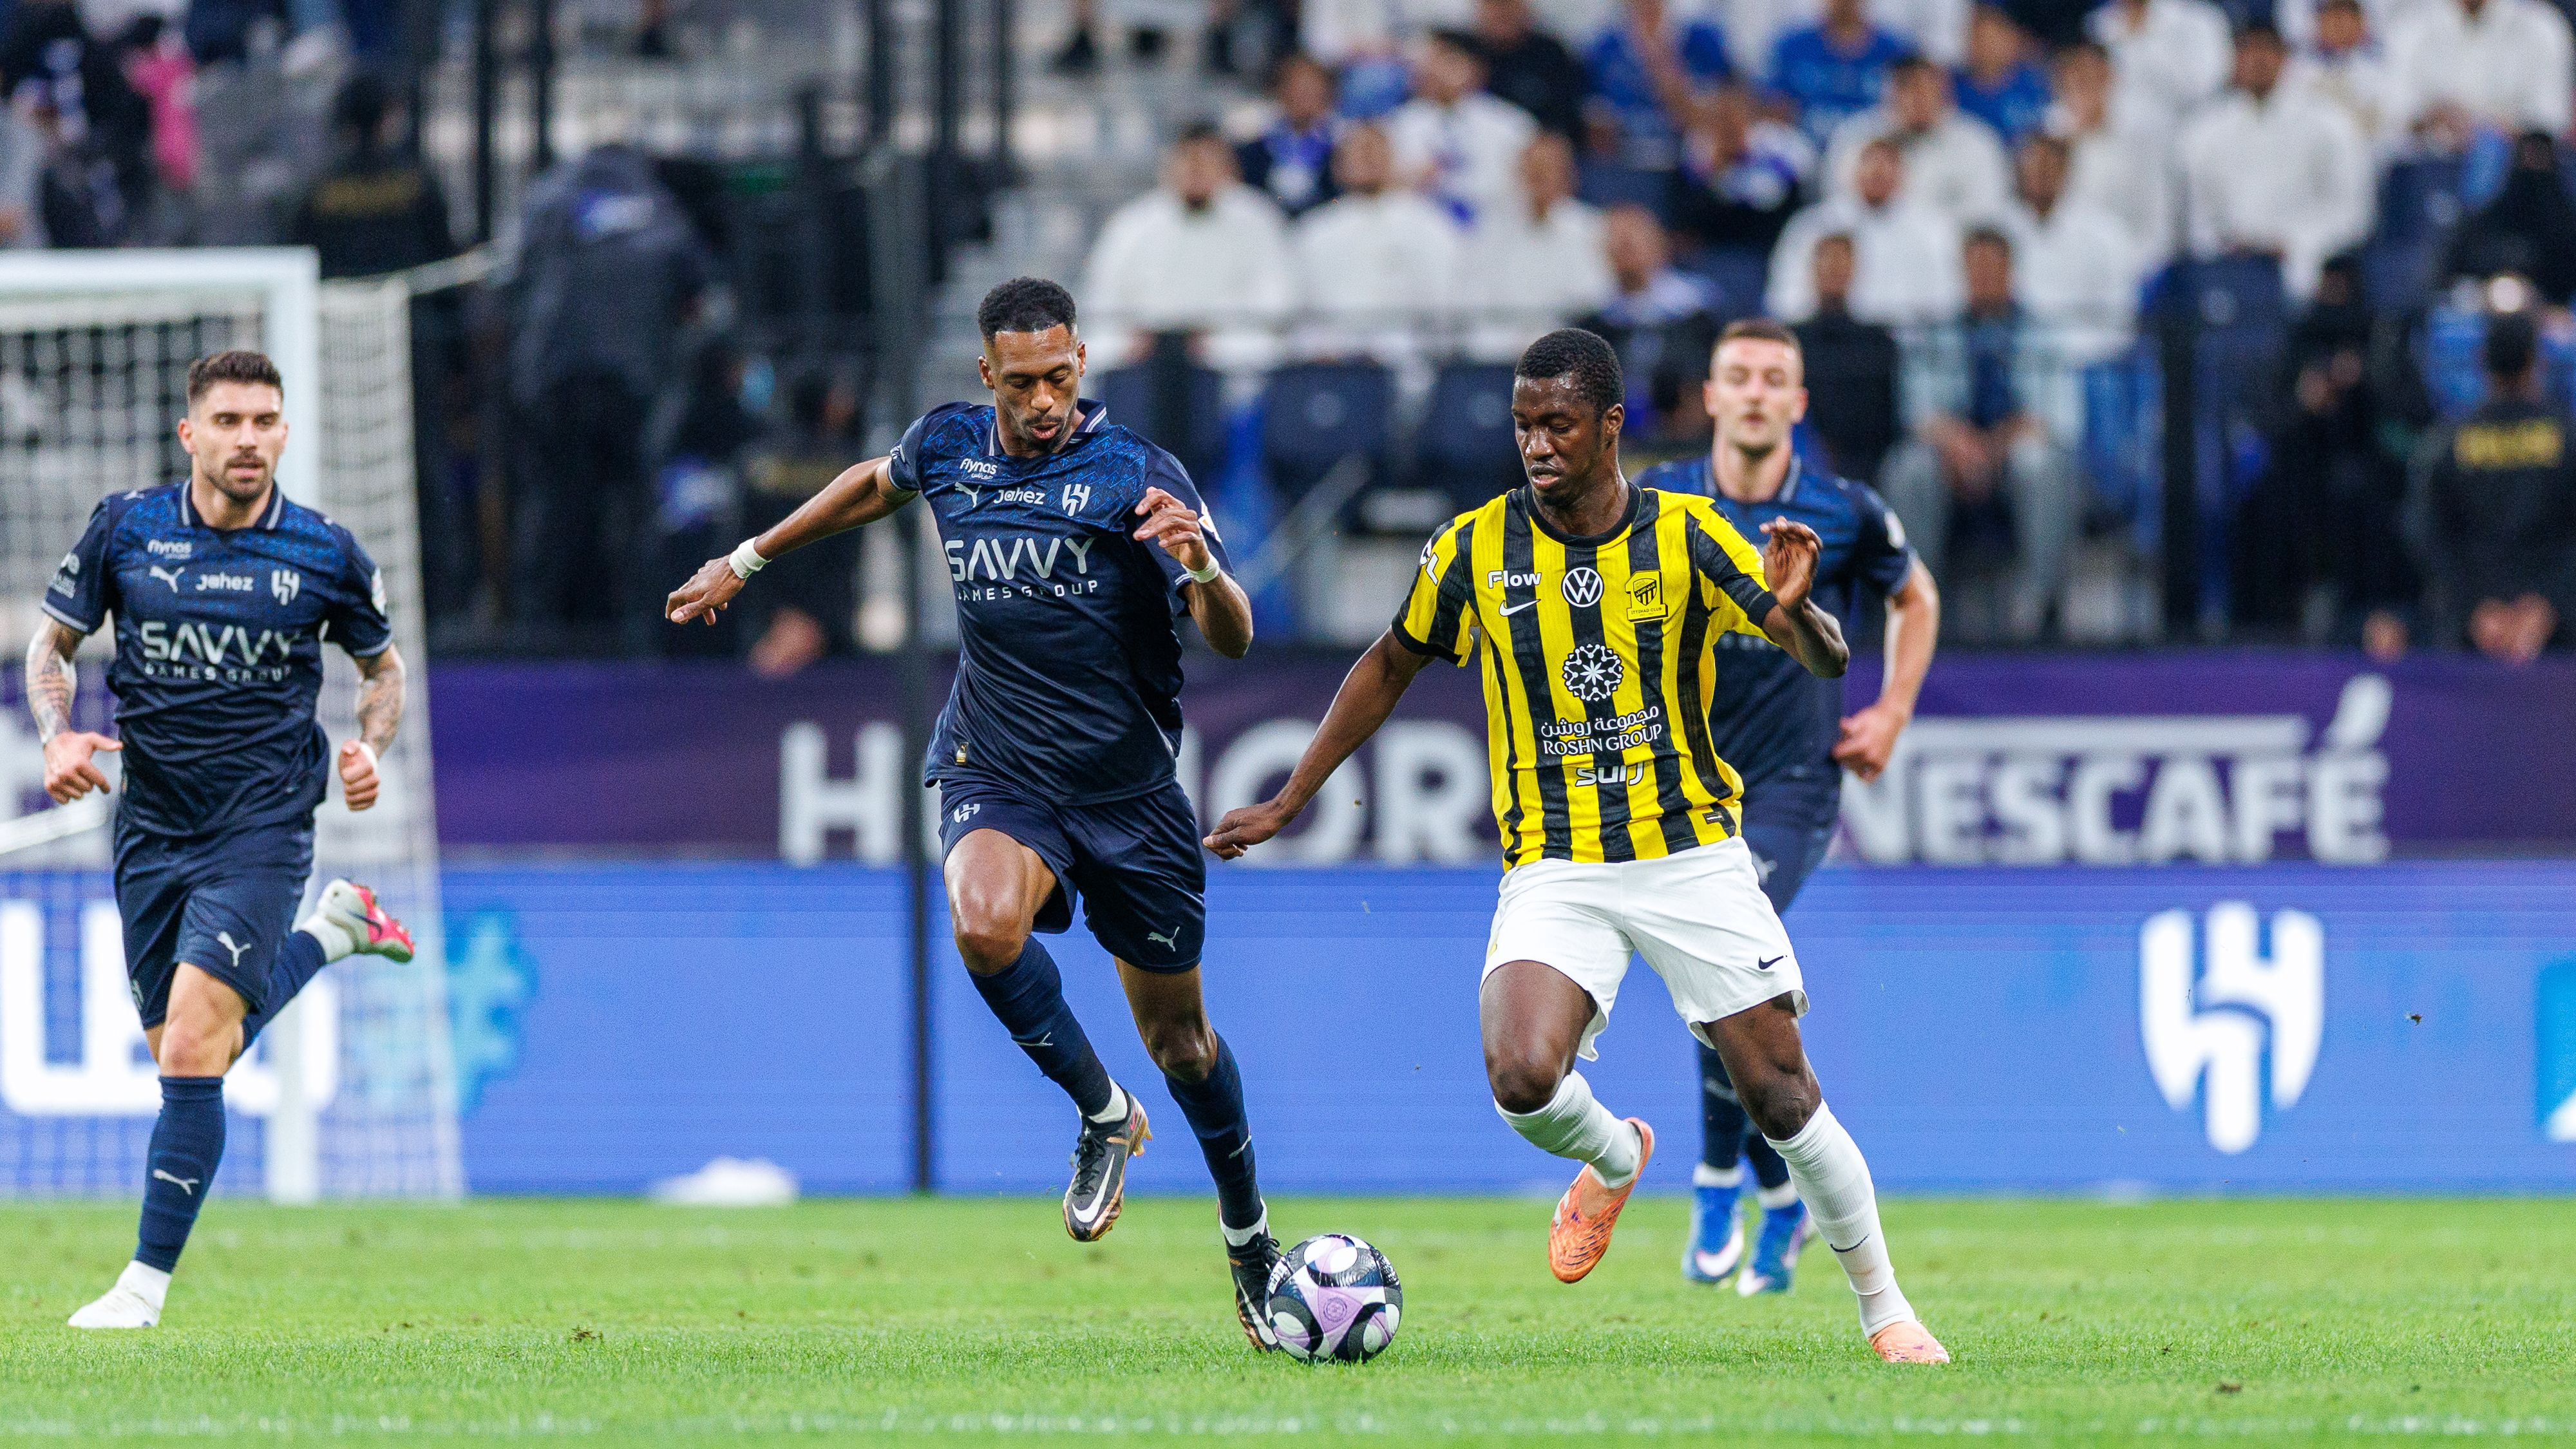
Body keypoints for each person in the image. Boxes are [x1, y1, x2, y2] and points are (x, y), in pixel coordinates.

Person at [1205, 327, 1949, 1365]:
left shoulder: (1690, 534)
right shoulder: (1472, 546)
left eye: (1558, 424)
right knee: (1519, 1074)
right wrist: (1290, 798)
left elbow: (1819, 655)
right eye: (1522, 425)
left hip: (1687, 850)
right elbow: (1389, 662)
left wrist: (1800, 613)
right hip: (1556, 862)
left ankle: (1885, 1309)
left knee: (1779, 1092)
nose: (1537, 445)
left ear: (1610, 427)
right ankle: (1612, 1157)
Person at [665, 278, 1283, 1349]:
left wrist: (1201, 568)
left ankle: (1251, 1247)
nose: (1044, 400)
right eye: (1023, 382)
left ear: (1081, 365)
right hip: (997, 763)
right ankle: (1102, 1115)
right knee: (983, 922)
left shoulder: (1138, 475)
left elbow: (1231, 636)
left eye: (1060, 378)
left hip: (1130, 795)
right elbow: (872, 483)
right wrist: (748, 559)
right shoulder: (949, 447)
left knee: (1182, 1042)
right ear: (987, 376)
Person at [31, 350, 422, 1329]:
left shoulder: (325, 554)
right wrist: (56, 732)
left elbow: (384, 670)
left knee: (197, 1045)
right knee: (183, 1048)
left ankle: (141, 1288)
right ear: (191, 435)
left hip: (262, 823)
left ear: (284, 432)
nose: (249, 438)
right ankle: (336, 932)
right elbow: (52, 646)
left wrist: (369, 747)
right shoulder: (127, 529)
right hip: (151, 823)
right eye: (231, 421)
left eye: (266, 420)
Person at [1636, 318, 1938, 1294]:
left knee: (1727, 967)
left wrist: (1891, 709)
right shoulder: (1661, 501)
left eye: (1776, 378)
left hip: (1792, 785)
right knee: (1722, 992)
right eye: (1740, 377)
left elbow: (1916, 595)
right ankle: (1779, 1198)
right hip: (1683, 787)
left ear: (1798, 404)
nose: (1758, 392)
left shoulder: (1841, 509)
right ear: (1712, 398)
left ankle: (1721, 1177)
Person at [498, 140, 712, 638]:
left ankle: (539, 629)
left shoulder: (549, 198)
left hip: (555, 381)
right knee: (634, 506)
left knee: (555, 503)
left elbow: (514, 285)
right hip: (632, 384)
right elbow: (696, 293)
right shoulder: (658, 204)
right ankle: (640, 626)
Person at [1880, 227, 2082, 639]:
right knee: (1909, 469)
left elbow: (2060, 419)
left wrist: (1997, 445)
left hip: (2014, 460)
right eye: (1977, 266)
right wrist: (1957, 442)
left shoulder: (2042, 332)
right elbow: (1916, 413)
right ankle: (1921, 604)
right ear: (1964, 270)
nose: (1986, 275)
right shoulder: (1938, 331)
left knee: (2042, 465)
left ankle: (2037, 610)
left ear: (2012, 269)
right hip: (1952, 461)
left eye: (1996, 265)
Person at [2231, 252, 2425, 645]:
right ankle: (2267, 631)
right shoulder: (2297, 343)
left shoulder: (2381, 342)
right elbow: (2266, 419)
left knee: (2374, 503)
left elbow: (2416, 421)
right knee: (2261, 507)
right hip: (2302, 475)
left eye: (2342, 289)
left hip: (2371, 474)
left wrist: (2366, 383)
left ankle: (2377, 620)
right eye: (2327, 288)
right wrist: (2305, 403)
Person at [2403, 309, 2576, 663]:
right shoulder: (2567, 437)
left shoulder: (2448, 442)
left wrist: (2476, 608)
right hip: (2560, 634)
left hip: (2476, 633)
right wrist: (2551, 604)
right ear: (2536, 361)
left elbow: (2426, 532)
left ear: (2482, 362)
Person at [2178, 22, 2372, 300]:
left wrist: (2297, 244)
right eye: (2247, 51)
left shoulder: (2328, 124)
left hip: (2310, 269)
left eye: (2267, 50)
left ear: (2285, 57)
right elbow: (2200, 217)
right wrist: (2227, 245)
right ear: (2233, 60)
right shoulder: (2206, 132)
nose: (2257, 60)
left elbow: (2352, 211)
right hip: (2230, 271)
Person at [1081, 122, 1295, 374]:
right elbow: (1101, 299)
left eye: (1206, 162)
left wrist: (1215, 339)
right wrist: (1136, 339)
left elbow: (1280, 301)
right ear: (1169, 166)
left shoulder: (1258, 220)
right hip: (1145, 359)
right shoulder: (1132, 225)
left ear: (1228, 167)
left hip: (1231, 355)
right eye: (1187, 161)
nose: (1196, 171)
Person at [1290, 122, 1465, 365]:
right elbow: (1298, 309)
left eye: (1376, 151)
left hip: (1410, 357)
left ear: (1395, 160)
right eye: (1358, 152)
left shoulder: (1430, 225)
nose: (1367, 158)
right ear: (1338, 167)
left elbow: (1447, 301)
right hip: (1333, 359)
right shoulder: (1315, 231)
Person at [1768, 137, 1964, 325]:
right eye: (1870, 165)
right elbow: (1784, 297)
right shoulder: (1812, 226)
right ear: (1851, 171)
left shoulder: (1933, 229)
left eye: (1888, 166)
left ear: (1903, 174)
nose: (1878, 174)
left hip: (1911, 341)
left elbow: (1946, 298)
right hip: (1827, 336)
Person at [289, 71, 456, 279]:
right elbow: (442, 252)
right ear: (386, 118)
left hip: (337, 305)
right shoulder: (414, 183)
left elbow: (295, 252)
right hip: (412, 304)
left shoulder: (320, 190)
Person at [1464, 133, 1616, 361]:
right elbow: (1476, 300)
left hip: (1570, 355)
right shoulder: (1489, 230)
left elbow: (1593, 299)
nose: (1538, 178)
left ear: (1568, 177)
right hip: (1499, 352)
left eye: (1548, 170)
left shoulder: (1590, 228)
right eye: (1532, 170)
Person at [1579, 205, 1727, 440]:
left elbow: (1711, 381)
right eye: (1616, 244)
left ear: (1660, 245)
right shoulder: (1593, 319)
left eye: (1631, 243)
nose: (1624, 251)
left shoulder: (1696, 309)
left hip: (1685, 435)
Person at [1822, 54, 2013, 226]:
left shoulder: (1978, 143)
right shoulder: (1855, 136)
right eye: (1907, 88)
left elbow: (1987, 216)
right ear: (1888, 95)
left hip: (1949, 257)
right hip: (1872, 252)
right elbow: (1837, 207)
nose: (1918, 99)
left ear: (1947, 95)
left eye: (1927, 89)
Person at [2001, 133, 2138, 360]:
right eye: (2032, 165)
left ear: (2065, 171)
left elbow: (2120, 314)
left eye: (2048, 165)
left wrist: (2070, 354)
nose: (2039, 174)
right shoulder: (2004, 225)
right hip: (2021, 357)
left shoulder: (2105, 232)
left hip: (2091, 360)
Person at [1388, 29, 1540, 230]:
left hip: (1497, 230)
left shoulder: (1512, 125)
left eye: (1447, 61)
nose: (1434, 70)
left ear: (1474, 68)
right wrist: (1412, 180)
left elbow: (1530, 187)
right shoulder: (1398, 125)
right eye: (1430, 61)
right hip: (1424, 234)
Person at [2047, 39, 2175, 269]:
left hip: (2128, 266)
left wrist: (2131, 269)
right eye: (2078, 80)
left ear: (2112, 80)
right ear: (2061, 83)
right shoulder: (2046, 138)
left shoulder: (2139, 141)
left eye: (2095, 78)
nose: (2086, 89)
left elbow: (2156, 224)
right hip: (2060, 268)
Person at [1792, 234, 1904, 482]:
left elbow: (1887, 416)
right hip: (1802, 455)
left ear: (1855, 271)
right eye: (1828, 261)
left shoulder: (1878, 341)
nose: (1834, 269)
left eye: (1842, 262)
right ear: (1813, 269)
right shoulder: (1791, 340)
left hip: (1867, 460)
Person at [2386, 0, 2573, 147]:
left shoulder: (2542, 27)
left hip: (2513, 174)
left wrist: (2488, 129)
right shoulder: (2410, 25)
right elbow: (2392, 114)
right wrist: (2435, 118)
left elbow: (2551, 119)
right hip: (2427, 172)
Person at [1669, 82, 1815, 261]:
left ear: (1750, 117)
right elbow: (1690, 212)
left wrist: (1748, 161)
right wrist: (1716, 170)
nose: (1730, 126)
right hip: (1717, 239)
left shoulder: (1776, 144)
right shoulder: (1700, 148)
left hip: (1768, 235)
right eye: (1722, 119)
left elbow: (1793, 193)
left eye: (1735, 117)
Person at [1584, 0, 1735, 173]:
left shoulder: (1701, 41)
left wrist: (1667, 78)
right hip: (1626, 166)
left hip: (1688, 169)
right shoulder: (1604, 49)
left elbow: (1720, 118)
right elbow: (1597, 132)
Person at [2443, 131, 2576, 308]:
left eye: (2540, 157)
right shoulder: (2487, 221)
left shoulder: (2565, 222)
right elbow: (2462, 262)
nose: (2533, 165)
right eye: (2528, 157)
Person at [1768, 0, 1912, 145]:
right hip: (1807, 151)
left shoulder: (1894, 52)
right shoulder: (1793, 48)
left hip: (1871, 153)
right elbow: (1776, 112)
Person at [2083, 0, 2230, 135]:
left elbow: (2205, 89)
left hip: (2197, 137)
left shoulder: (2200, 19)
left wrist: (2144, 33)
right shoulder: (2097, 28)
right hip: (2129, 147)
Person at [1236, 52, 1342, 220]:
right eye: (1298, 89)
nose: (1304, 97)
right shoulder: (1255, 143)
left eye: (1311, 90)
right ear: (1281, 92)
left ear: (1327, 95)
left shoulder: (1341, 145)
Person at [2289, 0, 2399, 154]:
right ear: (2318, 24)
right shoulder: (2297, 70)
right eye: (2332, 17)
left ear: (2362, 25)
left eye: (2346, 17)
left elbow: (2390, 120)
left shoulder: (2384, 67)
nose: (2339, 25)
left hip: (2370, 150)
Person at [1475, 0, 1591, 144]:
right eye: (1494, 6)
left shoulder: (1550, 53)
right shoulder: (1467, 56)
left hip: (1544, 148)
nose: (1501, 13)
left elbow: (1567, 114)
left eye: (1508, 5)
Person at [1953, 4, 2052, 148]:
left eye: (1993, 38)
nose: (1987, 47)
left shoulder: (2035, 85)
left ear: (2012, 39)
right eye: (1979, 37)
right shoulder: (1951, 88)